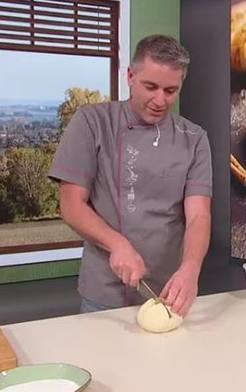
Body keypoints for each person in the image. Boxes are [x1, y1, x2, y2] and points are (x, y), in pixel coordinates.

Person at [48, 34, 212, 318]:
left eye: (171, 90)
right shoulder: (92, 122)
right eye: (150, 86)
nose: (160, 100)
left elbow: (199, 216)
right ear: (130, 76)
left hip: (167, 294)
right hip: (103, 295)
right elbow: (71, 205)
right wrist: (117, 244)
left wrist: (191, 268)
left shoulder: (194, 138)